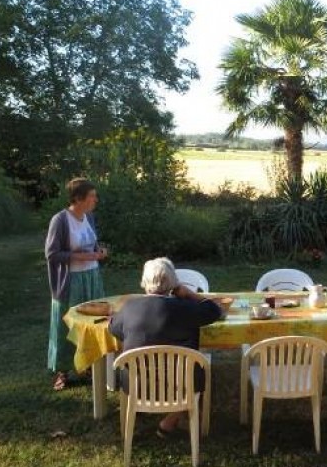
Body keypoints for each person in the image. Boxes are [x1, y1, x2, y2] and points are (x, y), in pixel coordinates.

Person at [109, 257, 221, 438]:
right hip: (181, 381)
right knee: (200, 370)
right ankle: (179, 415)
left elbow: (114, 328)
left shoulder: (129, 307)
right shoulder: (184, 308)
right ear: (173, 284)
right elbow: (215, 310)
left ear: (144, 282)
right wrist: (191, 294)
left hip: (137, 381)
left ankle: (170, 417)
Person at [45, 177, 108, 391]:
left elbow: (91, 244)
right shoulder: (60, 220)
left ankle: (90, 366)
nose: (95, 200)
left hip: (92, 278)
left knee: (93, 323)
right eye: (92, 196)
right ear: (78, 198)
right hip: (70, 282)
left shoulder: (89, 217)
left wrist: (99, 253)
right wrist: (80, 257)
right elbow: (52, 254)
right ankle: (63, 371)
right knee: (67, 325)